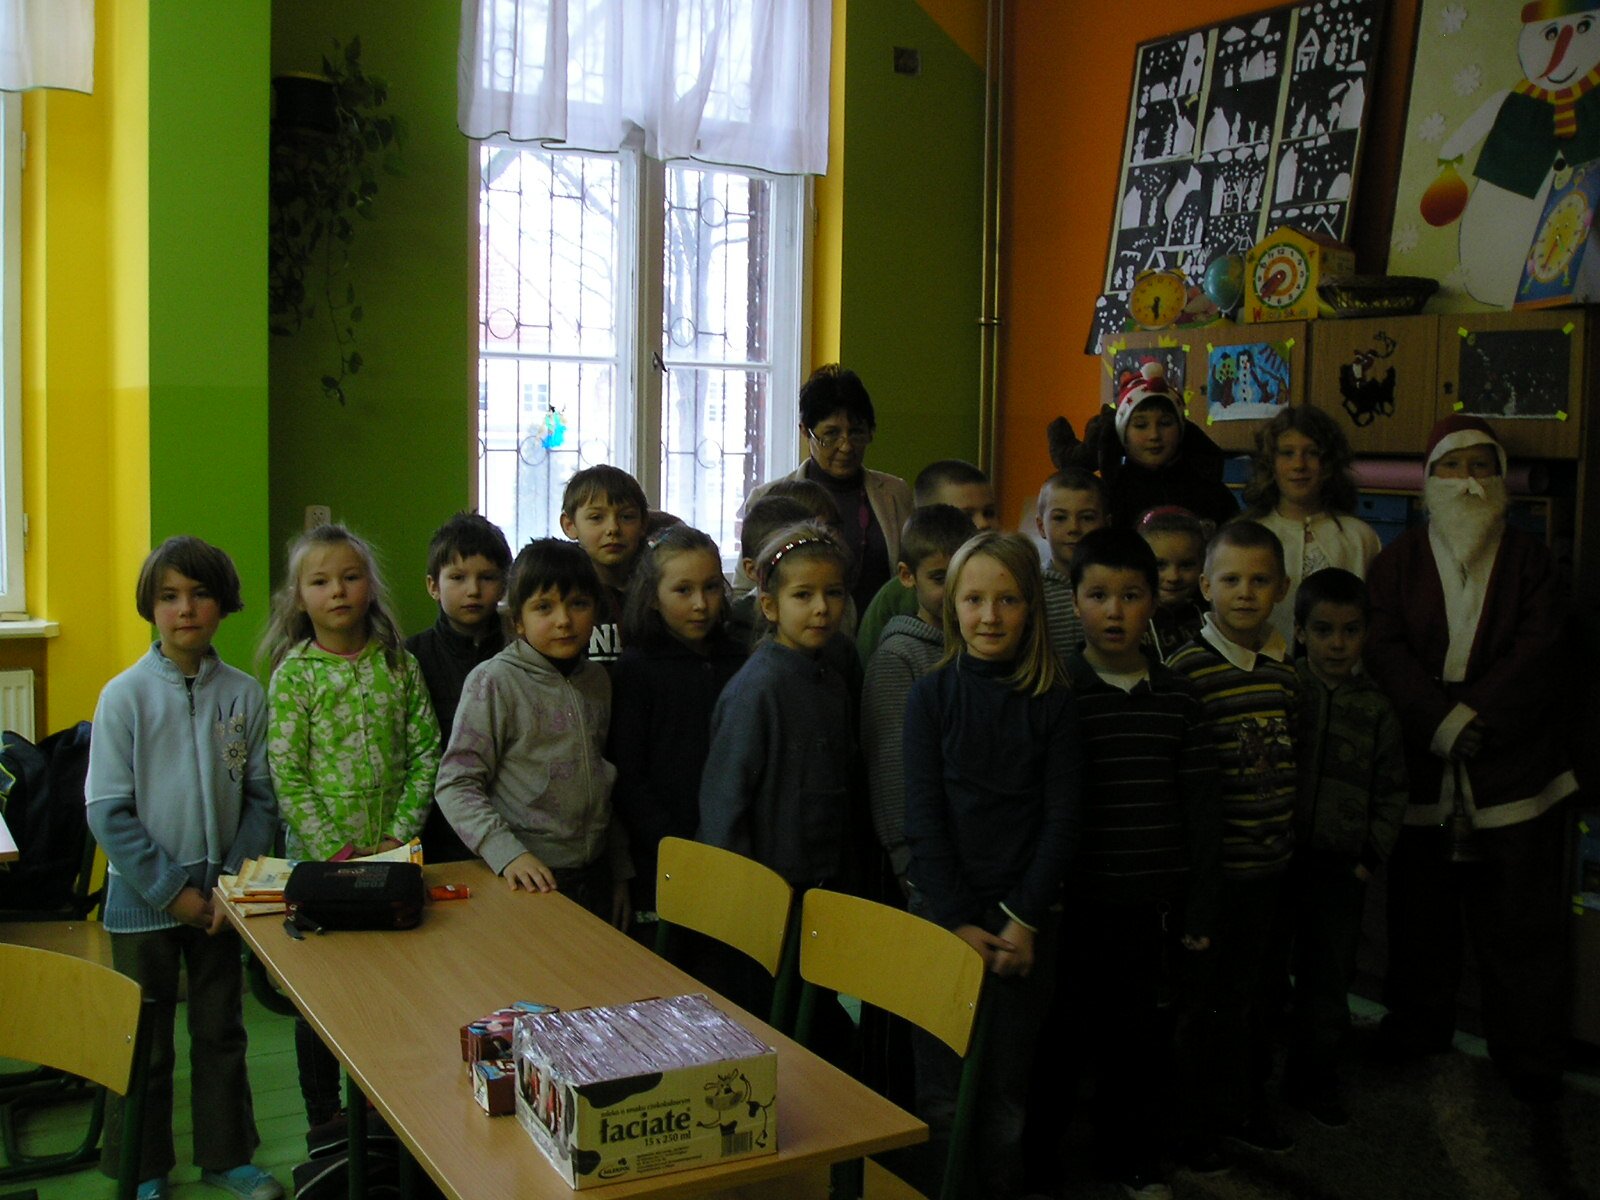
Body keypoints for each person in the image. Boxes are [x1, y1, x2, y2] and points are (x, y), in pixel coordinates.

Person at [1363, 415, 1576, 1101]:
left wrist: (1477, 717)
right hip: (1425, 758)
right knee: (1420, 915)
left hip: (1511, 762)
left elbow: (1543, 648)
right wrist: (1440, 720)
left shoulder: (1532, 561)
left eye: (1482, 466)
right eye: (1453, 468)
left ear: (1500, 479)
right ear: (1430, 481)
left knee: (1521, 921)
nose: (1468, 482)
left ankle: (1529, 1051)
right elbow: (1383, 647)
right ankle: (1416, 1025)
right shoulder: (1396, 564)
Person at [86, 538, 283, 1200]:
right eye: (169, 596)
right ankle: (141, 1169)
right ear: (151, 607)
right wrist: (172, 892)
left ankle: (227, 1157)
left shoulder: (245, 695)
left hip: (220, 904)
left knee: (220, 1031)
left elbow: (261, 800)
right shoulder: (124, 696)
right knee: (143, 1043)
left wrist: (227, 887)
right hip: (145, 902)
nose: (185, 609)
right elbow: (107, 812)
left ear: (223, 605)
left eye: (200, 594)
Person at [1050, 527, 1219, 1200]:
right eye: (1098, 596)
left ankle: (1133, 1157)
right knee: (1067, 1037)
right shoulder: (1058, 690)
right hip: (1076, 904)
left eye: (1130, 596)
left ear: (1154, 600)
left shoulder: (1179, 698)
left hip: (1153, 909)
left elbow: (1201, 810)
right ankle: (1051, 1163)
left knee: (1141, 1041)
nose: (1114, 612)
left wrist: (1199, 909)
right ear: (1074, 601)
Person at [261, 523, 441, 1128]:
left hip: (393, 861)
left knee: (391, 988)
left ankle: (381, 1107)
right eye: (320, 582)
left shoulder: (399, 665)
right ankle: (324, 1119)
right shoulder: (294, 674)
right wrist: (335, 850)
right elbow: (287, 773)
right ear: (299, 597)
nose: (337, 591)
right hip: (322, 869)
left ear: (370, 586)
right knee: (322, 999)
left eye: (350, 577)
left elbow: (426, 752)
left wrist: (399, 834)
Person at [1166, 520, 1297, 1157]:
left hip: (1271, 872)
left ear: (1282, 588)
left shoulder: (1284, 668)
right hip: (1213, 877)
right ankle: (1192, 1122)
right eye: (1231, 579)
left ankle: (1245, 1105)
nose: (1245, 593)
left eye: (1260, 580)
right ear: (1204, 586)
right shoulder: (1186, 670)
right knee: (1201, 1005)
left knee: (1257, 999)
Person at [435, 538, 631, 927]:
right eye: (544, 607)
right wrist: (508, 854)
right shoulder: (494, 681)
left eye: (578, 604)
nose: (564, 620)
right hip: (524, 875)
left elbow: (603, 779)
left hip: (595, 873)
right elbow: (455, 784)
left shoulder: (597, 680)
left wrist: (620, 870)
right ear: (518, 621)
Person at [1285, 568, 1407, 1128]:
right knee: (1266, 970)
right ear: (1301, 631)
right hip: (1278, 860)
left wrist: (1369, 860)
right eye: (1323, 630)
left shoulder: (1377, 710)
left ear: (1365, 634)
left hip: (1341, 868)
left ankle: (1316, 1078)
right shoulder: (1285, 687)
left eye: (1350, 631)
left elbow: (1392, 792)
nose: (1337, 644)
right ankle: (1256, 1073)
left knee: (1329, 979)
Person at [698, 523, 858, 890]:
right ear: (770, 606)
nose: (822, 608)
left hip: (824, 886)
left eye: (833, 593)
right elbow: (724, 806)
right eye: (803, 595)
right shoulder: (757, 690)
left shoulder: (833, 679)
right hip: (763, 892)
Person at [607, 524, 746, 924]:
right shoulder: (636, 669)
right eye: (683, 590)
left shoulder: (739, 660)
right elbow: (628, 777)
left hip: (734, 852)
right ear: (653, 597)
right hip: (663, 857)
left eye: (712, 587)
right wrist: (676, 847)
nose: (701, 604)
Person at [860, 504, 976, 889]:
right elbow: (891, 772)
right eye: (940, 578)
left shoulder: (982, 647)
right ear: (908, 576)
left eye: (963, 576)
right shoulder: (897, 658)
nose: (955, 591)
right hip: (925, 866)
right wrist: (906, 863)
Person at [745, 365, 915, 614]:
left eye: (856, 433)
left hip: (885, 630)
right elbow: (745, 589)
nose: (846, 446)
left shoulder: (895, 493)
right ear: (806, 432)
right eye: (831, 434)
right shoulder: (767, 498)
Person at [404, 511, 512, 862]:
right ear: (433, 586)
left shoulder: (519, 654)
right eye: (458, 577)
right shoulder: (409, 659)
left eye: (487, 577)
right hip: (436, 830)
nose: (473, 590)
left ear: (505, 584)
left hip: (511, 829)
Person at [1242, 406, 1382, 647]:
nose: (1299, 465)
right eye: (1287, 453)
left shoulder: (1359, 538)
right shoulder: (1249, 536)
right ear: (1271, 463)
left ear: (1328, 463)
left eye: (1312, 453)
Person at [1052, 360, 1238, 530]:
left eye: (1165, 423)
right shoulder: (1109, 496)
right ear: (1124, 435)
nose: (1154, 435)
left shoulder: (1211, 492)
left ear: (1181, 430)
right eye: (1141, 425)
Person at [855, 459, 997, 662]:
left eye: (989, 513)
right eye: (966, 515)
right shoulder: (894, 597)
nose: (983, 523)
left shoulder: (1006, 578)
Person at [559, 464, 648, 666]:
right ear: (570, 525)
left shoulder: (657, 595)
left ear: (643, 523)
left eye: (626, 517)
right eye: (596, 518)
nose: (613, 529)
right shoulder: (564, 597)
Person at [1035, 468, 1107, 664]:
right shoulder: (1031, 587)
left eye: (1087, 518)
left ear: (1106, 523)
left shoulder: (1119, 584)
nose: (1074, 528)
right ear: (1041, 527)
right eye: (1060, 518)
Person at [1137, 507, 1210, 664]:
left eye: (1186, 565)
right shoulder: (1126, 620)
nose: (1173, 577)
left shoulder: (1214, 617)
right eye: (1160, 565)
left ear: (1203, 564)